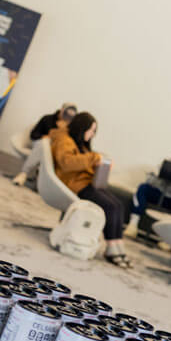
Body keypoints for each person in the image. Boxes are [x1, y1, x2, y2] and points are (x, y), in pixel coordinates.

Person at [48, 111, 131, 267]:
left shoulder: (78, 142)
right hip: (74, 185)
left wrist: (100, 162)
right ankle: (111, 247)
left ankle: (118, 244)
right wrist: (94, 159)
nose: (92, 134)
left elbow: (84, 159)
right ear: (82, 127)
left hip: (85, 183)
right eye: (91, 130)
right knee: (109, 206)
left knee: (118, 205)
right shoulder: (64, 140)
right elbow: (67, 163)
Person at [127, 142, 171, 233]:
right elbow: (149, 180)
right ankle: (133, 224)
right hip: (160, 194)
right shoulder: (168, 163)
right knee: (143, 188)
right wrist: (160, 175)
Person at [11, 102, 78, 186]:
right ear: (62, 110)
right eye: (66, 114)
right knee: (44, 143)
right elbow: (33, 135)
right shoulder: (47, 119)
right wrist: (44, 137)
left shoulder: (70, 127)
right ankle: (24, 173)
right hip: (39, 145)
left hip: (55, 152)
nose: (67, 117)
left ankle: (39, 180)